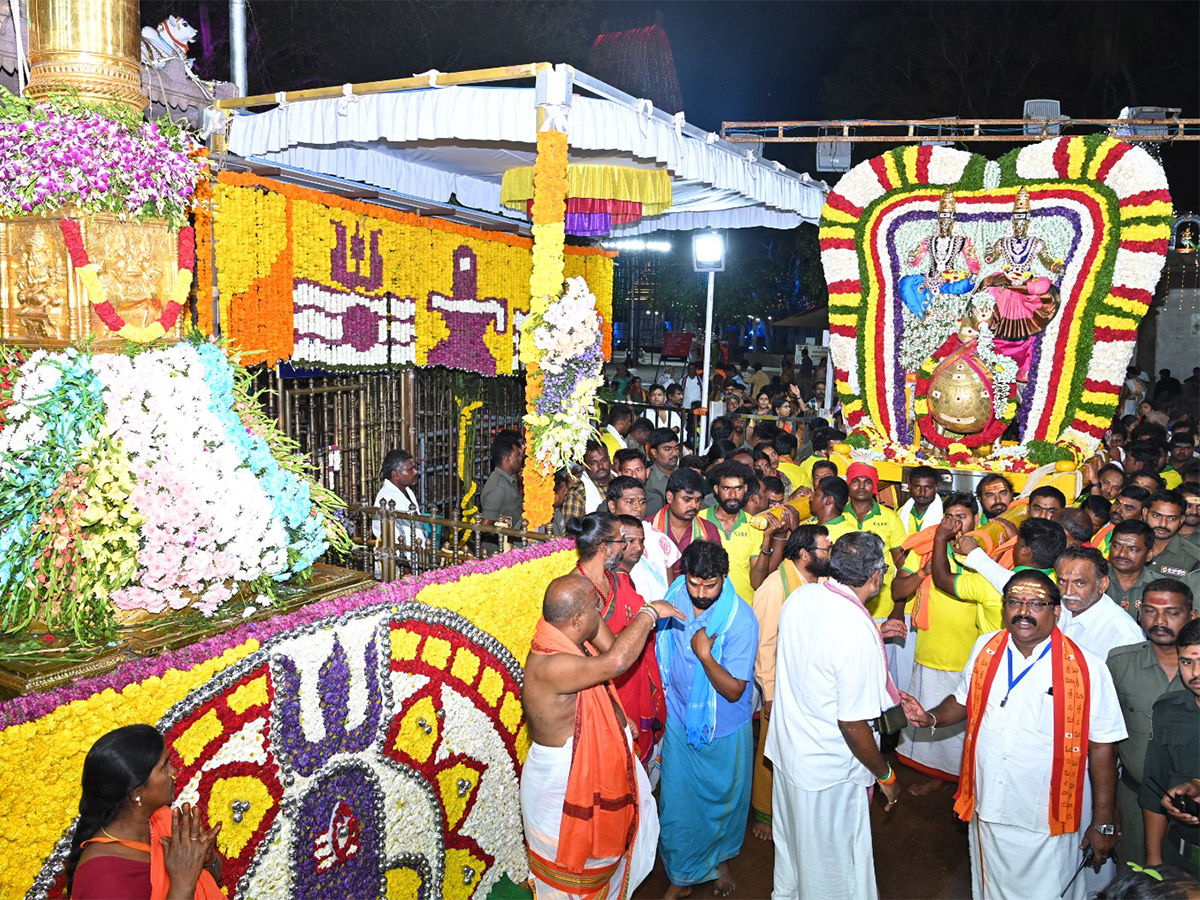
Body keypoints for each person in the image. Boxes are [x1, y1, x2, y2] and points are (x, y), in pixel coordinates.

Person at [900, 571, 1127, 900]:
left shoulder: (1086, 668)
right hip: (989, 801)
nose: (1024, 611)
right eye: (1015, 602)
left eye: (1036, 603)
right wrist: (930, 717)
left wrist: (1103, 823)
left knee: (1050, 891)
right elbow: (964, 700)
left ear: (1056, 611)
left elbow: (1104, 747)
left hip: (1046, 815)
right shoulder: (985, 647)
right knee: (989, 887)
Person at [521, 574, 682, 899]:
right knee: (569, 883)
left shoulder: (563, 633)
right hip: (561, 789)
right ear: (579, 619)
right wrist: (649, 613)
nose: (602, 611)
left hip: (577, 773)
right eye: (598, 607)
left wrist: (618, 719)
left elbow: (610, 657)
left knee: (601, 875)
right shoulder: (551, 664)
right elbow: (616, 661)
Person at [768, 532, 904, 899]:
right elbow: (852, 723)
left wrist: (875, 630)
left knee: (794, 856)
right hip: (828, 773)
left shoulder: (804, 596)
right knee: (832, 872)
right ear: (876, 577)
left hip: (791, 754)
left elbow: (821, 645)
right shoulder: (854, 631)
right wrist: (885, 774)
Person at [656, 541, 760, 898]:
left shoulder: (740, 620)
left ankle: (719, 860)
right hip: (680, 716)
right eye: (694, 584)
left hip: (724, 727)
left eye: (710, 585)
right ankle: (683, 876)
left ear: (724, 578)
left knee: (721, 802)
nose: (701, 594)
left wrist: (706, 657)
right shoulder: (675, 595)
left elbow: (734, 691)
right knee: (677, 801)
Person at [894, 493, 992, 792]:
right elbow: (898, 589)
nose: (955, 523)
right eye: (949, 517)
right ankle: (937, 776)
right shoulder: (925, 551)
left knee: (966, 727)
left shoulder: (985, 554)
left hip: (971, 654)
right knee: (930, 722)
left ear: (976, 520)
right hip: (931, 650)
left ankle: (964, 782)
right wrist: (924, 571)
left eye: (962, 516)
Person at [67, 725, 223, 900]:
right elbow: (187, 881)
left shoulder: (163, 819)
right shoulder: (104, 876)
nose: (173, 771)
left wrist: (207, 860)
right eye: (164, 766)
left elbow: (210, 879)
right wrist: (182, 881)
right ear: (136, 792)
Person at [749, 524, 831, 842]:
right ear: (804, 554)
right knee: (773, 749)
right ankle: (765, 812)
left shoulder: (821, 580)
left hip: (811, 683)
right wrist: (769, 693)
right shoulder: (774, 586)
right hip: (781, 686)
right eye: (825, 549)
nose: (830, 553)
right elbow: (764, 644)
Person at [1107, 580, 1197, 867]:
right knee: (1141, 878)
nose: (1159, 621)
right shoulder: (1120, 663)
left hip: (1192, 802)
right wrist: (1107, 807)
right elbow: (1104, 739)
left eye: (1171, 612)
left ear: (1191, 615)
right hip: (1136, 801)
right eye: (1150, 611)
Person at [569, 513, 667, 776]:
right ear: (604, 547)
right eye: (621, 540)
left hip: (623, 676)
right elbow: (592, 656)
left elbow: (613, 647)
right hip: (596, 688)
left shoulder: (614, 579)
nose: (625, 546)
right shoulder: (577, 591)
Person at [1138, 618, 1200, 877]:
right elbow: (1154, 788)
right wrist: (1154, 864)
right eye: (1187, 662)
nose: (1196, 672)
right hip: (1182, 860)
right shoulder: (1167, 710)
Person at [700, 460, 779, 604]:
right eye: (726, 488)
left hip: (743, 608)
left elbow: (756, 582)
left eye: (738, 488)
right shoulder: (700, 520)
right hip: (708, 607)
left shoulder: (754, 525)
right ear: (716, 489)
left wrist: (767, 540)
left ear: (746, 489)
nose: (732, 494)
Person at [1058, 547, 1145, 657]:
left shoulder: (1125, 635)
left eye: (1080, 583)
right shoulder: (1053, 609)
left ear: (1103, 584)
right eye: (1062, 581)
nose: (1068, 592)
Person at [607, 477, 679, 602]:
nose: (638, 508)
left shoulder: (659, 538)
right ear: (612, 506)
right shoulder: (604, 541)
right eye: (630, 502)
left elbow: (670, 588)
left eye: (642, 502)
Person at [649, 468, 721, 579]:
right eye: (687, 499)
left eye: (698, 500)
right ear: (670, 497)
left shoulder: (709, 530)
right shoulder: (648, 527)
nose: (694, 505)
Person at [1108, 520, 1159, 616]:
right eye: (1117, 546)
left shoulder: (1161, 587)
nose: (1122, 554)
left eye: (1133, 549)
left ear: (1149, 555)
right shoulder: (1094, 577)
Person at [1145, 491, 1200, 580]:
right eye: (1156, 515)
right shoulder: (1125, 547)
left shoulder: (1195, 558)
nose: (1163, 524)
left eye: (1172, 518)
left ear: (1181, 520)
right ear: (1145, 513)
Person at [479, 431, 524, 537]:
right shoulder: (498, 488)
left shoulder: (509, 478)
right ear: (507, 459)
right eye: (517, 456)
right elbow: (484, 527)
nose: (520, 459)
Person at [561, 440, 613, 524]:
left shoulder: (620, 479)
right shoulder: (577, 492)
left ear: (610, 460)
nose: (601, 466)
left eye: (604, 460)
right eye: (593, 463)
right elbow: (572, 532)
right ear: (584, 466)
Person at [644, 428, 680, 518]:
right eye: (668, 449)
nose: (674, 453)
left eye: (676, 448)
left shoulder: (685, 476)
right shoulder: (646, 478)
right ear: (654, 452)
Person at [899, 465, 944, 536]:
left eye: (928, 487)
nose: (922, 492)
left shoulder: (945, 515)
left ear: (936, 487)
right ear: (909, 487)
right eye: (917, 487)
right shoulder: (901, 512)